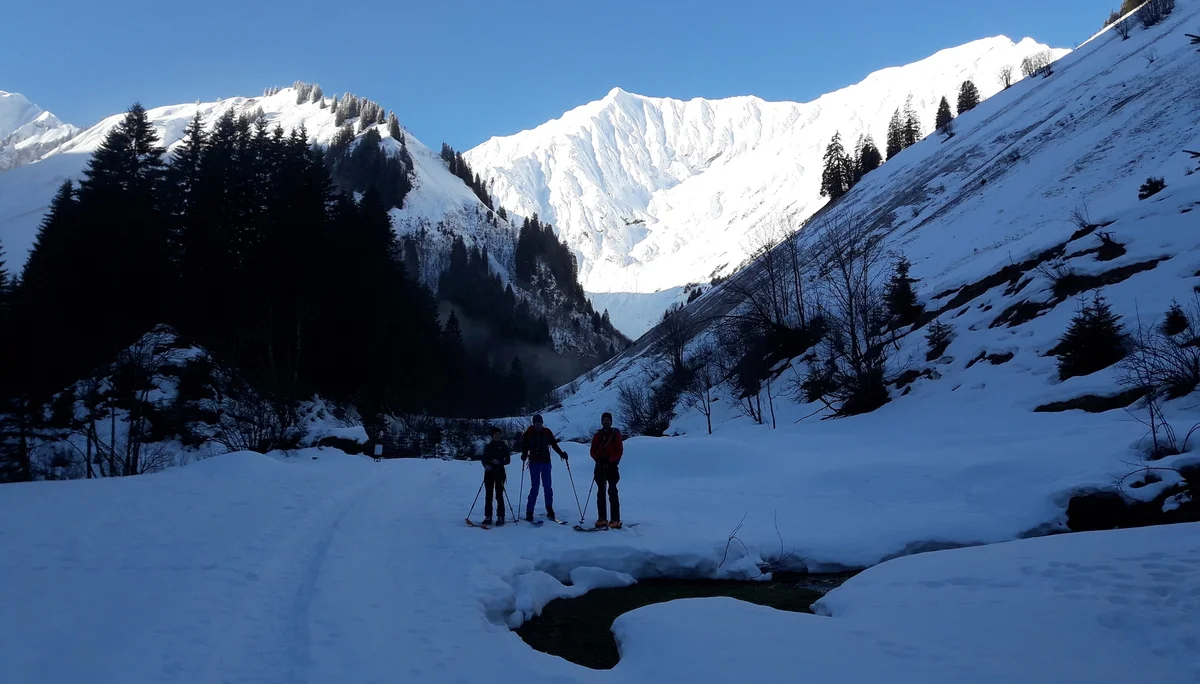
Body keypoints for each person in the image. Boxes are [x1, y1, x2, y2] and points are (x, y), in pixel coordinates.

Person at [521, 414, 568, 522]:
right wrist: (524, 454)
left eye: (539, 423)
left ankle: (549, 509)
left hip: (546, 463)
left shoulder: (547, 432)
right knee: (535, 488)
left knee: (548, 488)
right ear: (533, 423)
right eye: (536, 423)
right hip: (534, 463)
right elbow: (525, 446)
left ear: (542, 423)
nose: (538, 425)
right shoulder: (528, 433)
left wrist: (561, 453)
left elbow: (554, 444)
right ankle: (529, 512)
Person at [589, 412, 624, 529]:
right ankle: (602, 518)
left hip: (612, 467)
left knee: (612, 491)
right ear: (602, 421)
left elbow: (619, 450)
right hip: (600, 466)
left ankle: (615, 519)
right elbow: (592, 451)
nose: (606, 422)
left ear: (611, 422)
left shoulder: (616, 435)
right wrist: (597, 459)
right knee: (601, 492)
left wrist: (611, 459)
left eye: (608, 420)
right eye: (604, 420)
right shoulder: (597, 436)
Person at [481, 427, 512, 526]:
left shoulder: (504, 446)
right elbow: (484, 459)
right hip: (489, 473)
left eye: (499, 434)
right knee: (488, 495)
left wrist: (499, 462)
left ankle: (501, 516)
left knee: (499, 495)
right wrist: (486, 465)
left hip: (500, 473)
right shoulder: (488, 446)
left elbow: (508, 460)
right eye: (495, 434)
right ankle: (488, 516)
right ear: (492, 436)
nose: (497, 436)